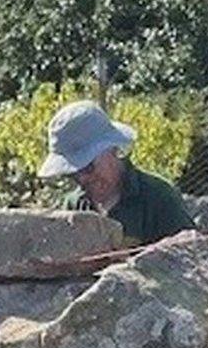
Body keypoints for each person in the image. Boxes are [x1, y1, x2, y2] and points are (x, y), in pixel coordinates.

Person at [39, 100, 193, 246]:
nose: (82, 178)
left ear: (112, 149)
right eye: (71, 173)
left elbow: (193, 261)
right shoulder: (73, 206)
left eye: (87, 167)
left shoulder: (159, 198)